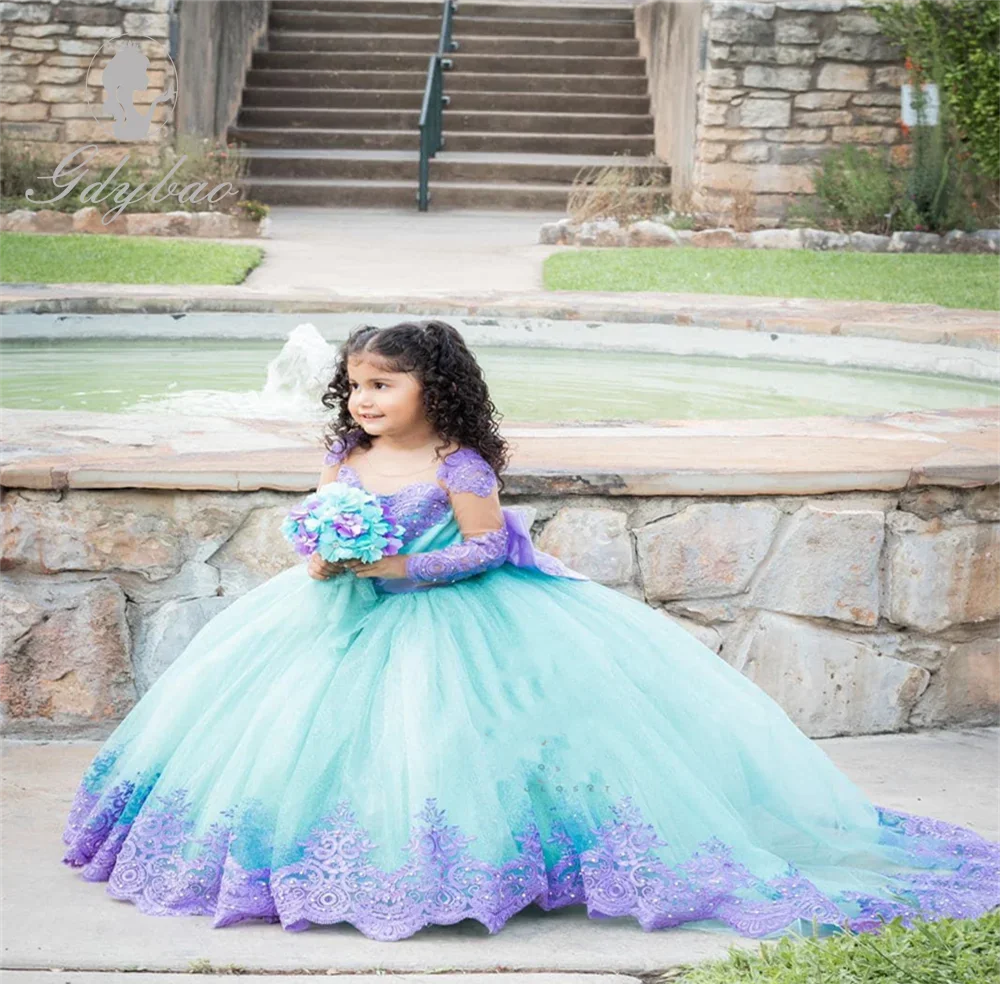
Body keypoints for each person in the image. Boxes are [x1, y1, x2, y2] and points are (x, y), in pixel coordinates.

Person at [62, 320, 999, 941]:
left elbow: (482, 552)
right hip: (331, 615)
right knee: (312, 745)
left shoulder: (462, 463)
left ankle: (490, 866)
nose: (363, 400)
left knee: (459, 743)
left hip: (454, 621)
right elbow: (325, 513)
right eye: (353, 386)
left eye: (382, 385)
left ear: (435, 387)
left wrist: (396, 565)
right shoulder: (345, 452)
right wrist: (323, 550)